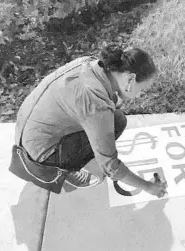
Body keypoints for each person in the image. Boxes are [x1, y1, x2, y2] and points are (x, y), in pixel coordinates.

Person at [13, 44, 167, 198]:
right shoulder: (96, 105)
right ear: (130, 78)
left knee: (114, 118)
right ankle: (64, 169)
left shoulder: (90, 63)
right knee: (117, 123)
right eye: (141, 89)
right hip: (39, 156)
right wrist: (148, 187)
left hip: (26, 131)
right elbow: (111, 166)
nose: (139, 95)